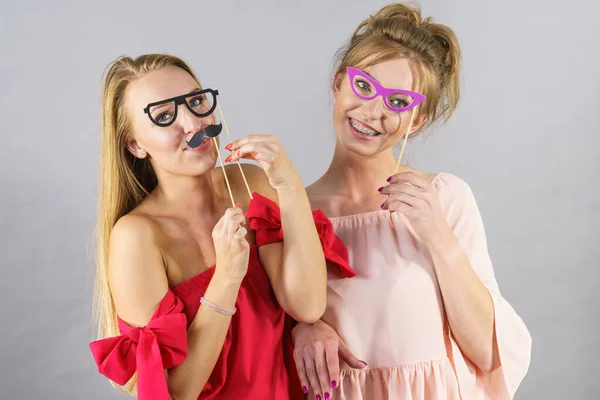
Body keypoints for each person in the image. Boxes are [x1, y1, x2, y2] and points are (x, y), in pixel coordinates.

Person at [283, 3, 532, 399]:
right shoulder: (291, 210)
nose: (372, 111)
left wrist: (437, 235)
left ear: (416, 120)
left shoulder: (445, 198)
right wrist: (301, 325)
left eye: (397, 102)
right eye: (363, 85)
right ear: (338, 83)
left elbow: (487, 354)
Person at [88, 54, 352, 399]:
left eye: (196, 101)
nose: (194, 122)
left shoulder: (249, 182)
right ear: (136, 145)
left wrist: (289, 187)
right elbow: (175, 393)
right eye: (165, 116)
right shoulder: (137, 236)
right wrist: (226, 277)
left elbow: (305, 305)